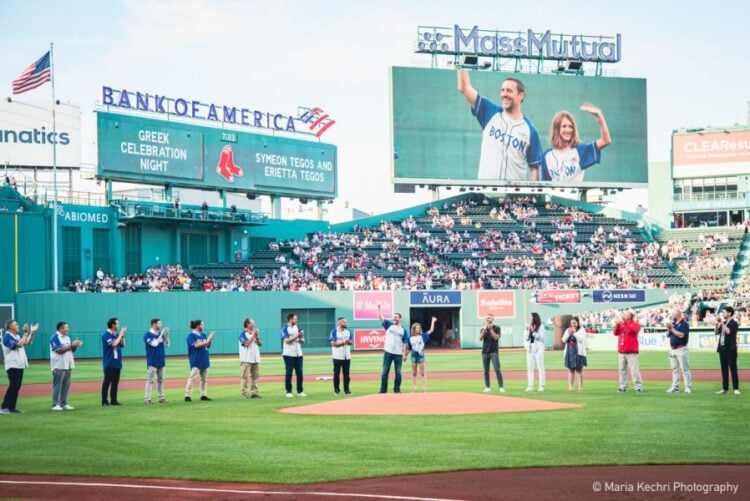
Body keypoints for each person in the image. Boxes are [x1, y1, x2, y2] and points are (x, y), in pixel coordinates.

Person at [457, 69, 542, 181]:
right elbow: (464, 88)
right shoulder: (489, 112)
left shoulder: (530, 130)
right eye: (502, 90)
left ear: (521, 95)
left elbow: (534, 168)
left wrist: (532, 194)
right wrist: (460, 63)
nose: (504, 94)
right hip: (486, 190)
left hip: (514, 195)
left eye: (509, 91)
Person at [540, 104, 611, 182]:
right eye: (564, 126)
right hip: (553, 194)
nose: (568, 130)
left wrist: (599, 115)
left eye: (570, 126)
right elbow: (545, 184)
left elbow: (606, 140)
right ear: (557, 129)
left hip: (574, 194)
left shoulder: (579, 150)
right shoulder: (547, 155)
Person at [1, 320, 38, 414]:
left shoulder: (16, 336)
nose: (18, 326)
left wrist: (32, 332)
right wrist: (25, 333)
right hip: (12, 365)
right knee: (13, 386)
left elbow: (27, 342)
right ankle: (4, 407)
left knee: (16, 387)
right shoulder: (7, 337)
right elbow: (20, 344)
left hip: (19, 364)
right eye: (16, 324)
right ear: (10, 327)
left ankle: (12, 407)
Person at [50, 321, 83, 411]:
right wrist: (71, 345)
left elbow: (71, 350)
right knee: (58, 385)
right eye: (66, 327)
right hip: (58, 365)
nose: (67, 329)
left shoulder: (67, 338)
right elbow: (59, 351)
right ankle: (55, 404)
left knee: (66, 385)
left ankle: (63, 403)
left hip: (68, 364)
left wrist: (75, 345)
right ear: (60, 328)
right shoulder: (54, 337)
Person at [377, 303, 409, 393]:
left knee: (398, 373)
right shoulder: (389, 325)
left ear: (400, 318)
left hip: (398, 354)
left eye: (396, 317)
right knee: (384, 372)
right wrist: (379, 307)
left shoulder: (403, 330)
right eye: (393, 317)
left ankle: (397, 389)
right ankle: (383, 390)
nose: (394, 318)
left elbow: (405, 343)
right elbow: (380, 317)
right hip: (388, 352)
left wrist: (404, 354)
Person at [613, 310, 643, 393]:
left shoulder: (635, 324)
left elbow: (631, 330)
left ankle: (638, 386)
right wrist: (618, 324)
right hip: (622, 351)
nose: (623, 315)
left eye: (625, 314)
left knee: (634, 369)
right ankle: (623, 386)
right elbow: (615, 333)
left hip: (631, 351)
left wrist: (623, 323)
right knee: (622, 370)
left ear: (630, 316)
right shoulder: (622, 324)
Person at [184, 319, 214, 402]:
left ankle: (203, 395)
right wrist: (207, 340)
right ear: (197, 326)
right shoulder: (191, 336)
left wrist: (210, 340)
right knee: (192, 378)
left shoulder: (203, 335)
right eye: (202, 325)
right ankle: (187, 395)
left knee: (204, 379)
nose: (203, 326)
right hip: (196, 360)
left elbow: (207, 346)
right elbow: (196, 345)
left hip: (204, 359)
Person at [407, 317, 437, 393]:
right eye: (416, 328)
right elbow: (409, 348)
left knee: (422, 373)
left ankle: (424, 389)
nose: (418, 329)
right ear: (413, 329)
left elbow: (431, 330)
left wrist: (433, 321)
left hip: (421, 355)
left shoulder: (423, 336)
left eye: (419, 328)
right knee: (414, 373)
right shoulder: (410, 338)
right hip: (413, 355)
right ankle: (414, 389)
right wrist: (405, 355)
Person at [665, 310, 692, 394]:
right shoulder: (674, 323)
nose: (672, 316)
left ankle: (687, 387)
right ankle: (675, 387)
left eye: (673, 314)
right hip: (673, 349)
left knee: (684, 369)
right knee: (675, 369)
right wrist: (669, 328)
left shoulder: (684, 324)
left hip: (681, 349)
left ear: (678, 315)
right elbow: (667, 335)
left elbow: (681, 335)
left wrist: (671, 328)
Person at [144, 318, 170, 404]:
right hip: (152, 361)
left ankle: (161, 398)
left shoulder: (160, 334)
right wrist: (161, 333)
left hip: (161, 360)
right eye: (159, 323)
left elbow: (167, 344)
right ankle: (147, 399)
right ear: (154, 324)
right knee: (150, 380)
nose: (161, 325)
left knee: (161, 380)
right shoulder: (147, 335)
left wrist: (166, 335)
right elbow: (154, 344)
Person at [715, 306, 740, 395]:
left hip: (730, 349)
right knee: (724, 369)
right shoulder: (724, 322)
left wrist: (722, 324)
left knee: (733, 369)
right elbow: (716, 332)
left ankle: (736, 388)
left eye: (725, 312)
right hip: (722, 348)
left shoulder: (734, 323)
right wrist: (717, 324)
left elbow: (728, 331)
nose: (723, 314)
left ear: (729, 313)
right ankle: (725, 388)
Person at [102, 317, 126, 406]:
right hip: (109, 362)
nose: (118, 325)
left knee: (115, 383)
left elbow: (123, 345)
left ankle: (114, 400)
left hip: (117, 362)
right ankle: (104, 400)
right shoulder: (106, 335)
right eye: (117, 324)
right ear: (113, 325)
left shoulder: (116, 334)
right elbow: (113, 344)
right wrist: (120, 335)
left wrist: (122, 336)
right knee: (107, 382)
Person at [280, 313, 305, 397]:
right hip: (288, 354)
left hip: (298, 354)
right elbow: (286, 341)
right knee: (289, 373)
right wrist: (297, 336)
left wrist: (301, 337)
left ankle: (300, 391)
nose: (296, 320)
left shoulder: (298, 328)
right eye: (295, 319)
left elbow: (302, 341)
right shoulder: (284, 329)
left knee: (300, 373)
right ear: (290, 319)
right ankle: (289, 392)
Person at [479, 314, 505, 393]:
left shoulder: (497, 328)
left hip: (493, 351)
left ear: (493, 319)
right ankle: (487, 387)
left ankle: (501, 387)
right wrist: (484, 330)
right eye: (486, 318)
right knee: (486, 370)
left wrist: (490, 329)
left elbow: (496, 338)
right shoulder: (483, 328)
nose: (487, 319)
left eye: (489, 318)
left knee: (497, 369)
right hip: (485, 352)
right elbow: (480, 338)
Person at [562, 317, 588, 392]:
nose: (573, 324)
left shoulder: (581, 330)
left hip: (579, 353)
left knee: (579, 370)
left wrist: (574, 333)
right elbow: (563, 340)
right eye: (572, 322)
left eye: (574, 323)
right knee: (570, 370)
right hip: (570, 352)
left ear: (577, 323)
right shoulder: (568, 330)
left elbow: (581, 339)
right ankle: (570, 387)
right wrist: (568, 334)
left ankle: (580, 387)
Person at [239, 318, 262, 399]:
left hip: (255, 358)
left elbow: (260, 344)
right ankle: (245, 394)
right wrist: (253, 336)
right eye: (252, 323)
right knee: (245, 377)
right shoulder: (242, 334)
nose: (254, 325)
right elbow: (246, 344)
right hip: (246, 359)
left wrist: (257, 337)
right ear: (248, 324)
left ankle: (254, 393)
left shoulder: (254, 334)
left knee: (255, 377)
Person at [329, 317, 353, 395]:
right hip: (337, 356)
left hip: (347, 356)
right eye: (344, 322)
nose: (346, 323)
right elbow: (333, 344)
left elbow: (352, 342)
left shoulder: (348, 331)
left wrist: (348, 342)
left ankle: (347, 390)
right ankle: (336, 390)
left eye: (346, 322)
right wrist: (343, 342)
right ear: (339, 322)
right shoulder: (334, 331)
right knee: (336, 374)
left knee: (346, 374)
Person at [525, 312, 546, 392]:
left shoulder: (541, 326)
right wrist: (529, 331)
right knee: (530, 368)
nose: (530, 319)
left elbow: (541, 338)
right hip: (530, 349)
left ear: (535, 318)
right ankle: (530, 385)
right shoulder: (529, 326)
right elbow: (526, 338)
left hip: (538, 349)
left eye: (531, 317)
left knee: (540, 367)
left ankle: (541, 385)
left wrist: (533, 332)